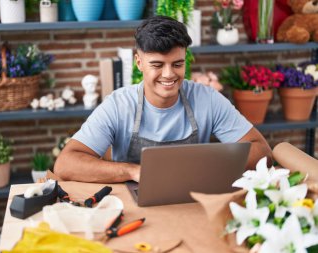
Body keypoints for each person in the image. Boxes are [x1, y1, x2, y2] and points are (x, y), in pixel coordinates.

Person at [54, 16, 272, 183]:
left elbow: (262, 152)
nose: (169, 75)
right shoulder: (118, 105)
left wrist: (206, 166)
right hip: (133, 200)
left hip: (191, 195)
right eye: (157, 65)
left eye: (177, 64)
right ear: (139, 63)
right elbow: (65, 164)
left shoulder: (208, 99)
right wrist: (133, 171)